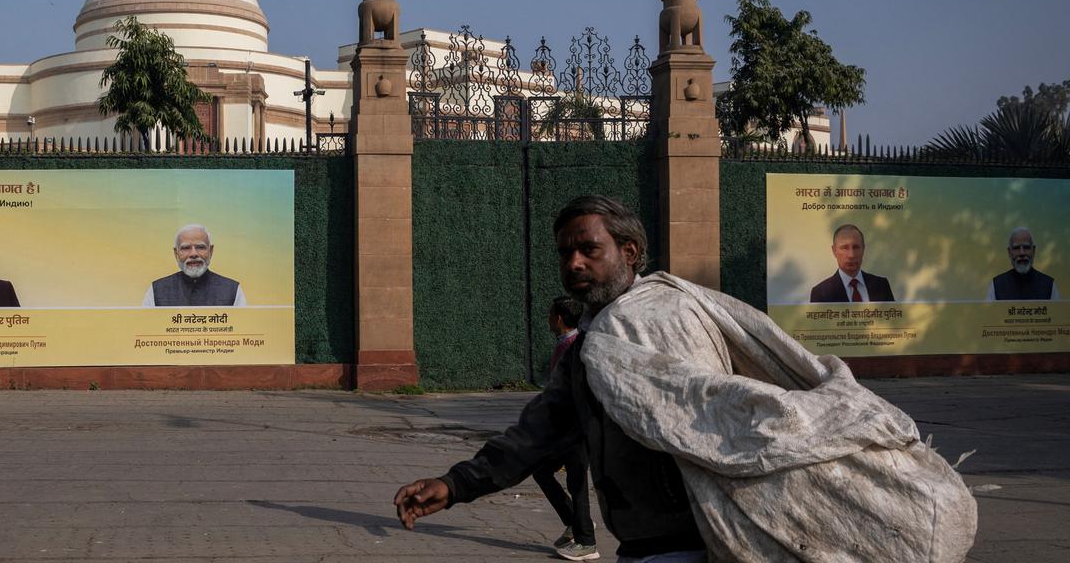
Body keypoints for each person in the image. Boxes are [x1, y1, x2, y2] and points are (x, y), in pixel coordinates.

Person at [393, 195, 975, 561]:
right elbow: (542, 430)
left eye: (588, 250)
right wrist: (458, 483)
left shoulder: (665, 313)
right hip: (643, 544)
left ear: (629, 249)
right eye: (566, 253)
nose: (573, 263)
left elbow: (719, 408)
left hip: (699, 537)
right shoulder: (591, 344)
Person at [529, 295, 598, 561]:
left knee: (577, 481)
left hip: (576, 428)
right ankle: (577, 523)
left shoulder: (572, 346)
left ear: (558, 318)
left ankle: (587, 543)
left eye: (549, 315)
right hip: (569, 427)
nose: (548, 319)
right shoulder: (568, 344)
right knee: (544, 471)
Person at [142, 224, 247, 306]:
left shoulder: (232, 290)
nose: (193, 254)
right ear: (176, 253)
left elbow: (242, 330)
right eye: (186, 248)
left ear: (210, 251)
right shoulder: (157, 290)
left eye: (200, 247)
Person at [808, 223, 895, 302]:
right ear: (834, 251)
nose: (851, 255)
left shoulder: (881, 285)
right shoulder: (821, 293)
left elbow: (894, 319)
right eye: (845, 248)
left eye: (856, 247)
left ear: (863, 249)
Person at [987, 227, 1060, 300]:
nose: (1022, 253)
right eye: (1016, 248)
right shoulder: (997, 285)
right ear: (1009, 252)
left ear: (1033, 250)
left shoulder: (1049, 285)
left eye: (1026, 247)